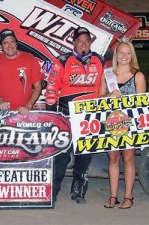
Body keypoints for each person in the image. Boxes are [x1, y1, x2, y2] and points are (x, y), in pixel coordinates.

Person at [45, 27, 105, 204]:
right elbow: (51, 89)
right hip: (66, 115)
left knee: (84, 156)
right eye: (80, 41)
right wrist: (53, 117)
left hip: (89, 116)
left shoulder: (99, 60)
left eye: (87, 40)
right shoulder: (62, 61)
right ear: (74, 42)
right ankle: (52, 193)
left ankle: (78, 192)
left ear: (90, 43)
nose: (84, 43)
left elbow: (107, 84)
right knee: (61, 156)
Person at [99, 40, 146, 209]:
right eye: (121, 53)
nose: (124, 56)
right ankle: (113, 196)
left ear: (132, 55)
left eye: (128, 53)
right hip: (111, 123)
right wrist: (109, 95)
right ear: (116, 55)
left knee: (128, 158)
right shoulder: (107, 74)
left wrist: (125, 100)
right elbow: (98, 99)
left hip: (130, 124)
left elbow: (142, 103)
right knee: (112, 158)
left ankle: (128, 196)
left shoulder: (138, 75)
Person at [0, 29, 43, 114]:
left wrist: (28, 105)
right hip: (3, 113)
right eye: (5, 43)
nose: (10, 46)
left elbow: (38, 87)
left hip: (25, 112)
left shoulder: (30, 59)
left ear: (16, 43)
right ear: (0, 46)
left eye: (12, 41)